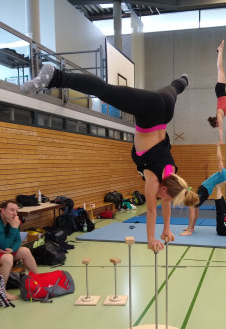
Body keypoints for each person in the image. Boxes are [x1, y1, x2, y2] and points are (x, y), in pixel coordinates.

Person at [21, 66, 199, 251]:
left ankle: (183, 79)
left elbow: (168, 200)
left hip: (165, 110)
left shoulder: (172, 174)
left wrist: (167, 228)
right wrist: (151, 239)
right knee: (106, 91)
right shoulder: (153, 180)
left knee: (175, 88)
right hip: (150, 112)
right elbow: (152, 211)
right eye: (164, 197)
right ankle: (55, 76)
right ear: (163, 188)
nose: (163, 200)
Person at [180, 145, 226, 236]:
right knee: (195, 208)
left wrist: (218, 147)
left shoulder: (224, 174)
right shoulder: (224, 174)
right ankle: (191, 227)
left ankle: (189, 230)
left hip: (205, 191)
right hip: (203, 189)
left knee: (192, 207)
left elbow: (219, 160)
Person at [0, 200, 38, 303]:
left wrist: (12, 249)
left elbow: (18, 241)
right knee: (8, 258)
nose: (15, 214)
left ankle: (37, 280)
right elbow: (4, 245)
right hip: (3, 251)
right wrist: (13, 228)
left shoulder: (12, 221)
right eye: (11, 210)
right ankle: (2, 291)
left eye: (16, 211)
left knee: (25, 251)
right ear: (2, 210)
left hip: (4, 250)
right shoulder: (7, 224)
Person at [207, 40, 226, 144]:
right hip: (220, 91)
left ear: (216, 121)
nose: (218, 125)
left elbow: (221, 128)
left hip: (220, 90)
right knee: (221, 69)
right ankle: (220, 51)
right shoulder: (220, 115)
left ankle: (220, 51)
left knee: (220, 69)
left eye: (216, 125)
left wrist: (221, 139)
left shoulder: (219, 115)